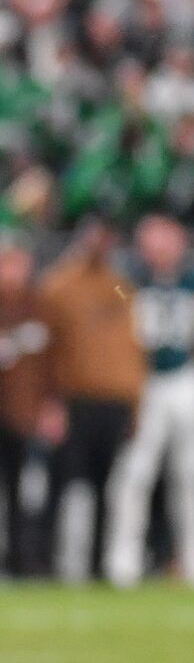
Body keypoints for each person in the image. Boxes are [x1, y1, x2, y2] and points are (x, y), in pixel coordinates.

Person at [104, 215, 194, 590]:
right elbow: (118, 311)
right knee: (135, 473)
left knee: (192, 474)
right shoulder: (129, 280)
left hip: (184, 378)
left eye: (166, 240)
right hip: (145, 381)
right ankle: (123, 559)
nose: (159, 249)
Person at [40, 219, 144, 583]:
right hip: (76, 398)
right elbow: (48, 346)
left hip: (114, 398)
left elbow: (126, 308)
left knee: (106, 489)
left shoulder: (117, 287)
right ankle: (58, 563)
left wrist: (135, 403)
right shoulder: (61, 285)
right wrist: (50, 402)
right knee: (69, 486)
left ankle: (99, 564)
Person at [0, 237, 59, 577]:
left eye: (18, 264)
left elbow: (52, 364)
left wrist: (51, 406)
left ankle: (25, 561)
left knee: (28, 493)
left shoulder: (40, 307)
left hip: (25, 415)